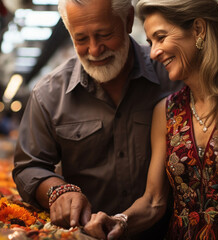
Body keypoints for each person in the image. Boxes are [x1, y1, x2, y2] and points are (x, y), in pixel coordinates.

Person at [83, 0, 218, 239]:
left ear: (198, 30)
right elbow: (154, 201)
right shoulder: (165, 111)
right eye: (150, 42)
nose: (153, 52)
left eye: (161, 37)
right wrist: (120, 221)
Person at [12, 0, 181, 237]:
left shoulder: (172, 75)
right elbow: (29, 166)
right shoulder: (48, 94)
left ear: (129, 21)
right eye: (81, 39)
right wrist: (58, 191)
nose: (94, 49)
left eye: (104, 34)